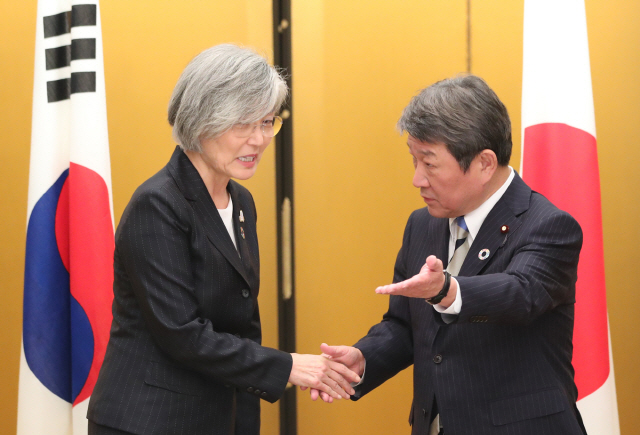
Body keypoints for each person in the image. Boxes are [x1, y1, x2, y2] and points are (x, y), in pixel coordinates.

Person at [87, 44, 359, 435]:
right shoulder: (158, 204)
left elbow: (240, 321)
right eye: (242, 125)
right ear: (200, 122)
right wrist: (289, 366)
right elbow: (181, 333)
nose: (259, 140)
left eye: (267, 122)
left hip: (219, 416)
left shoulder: (241, 201)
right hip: (149, 420)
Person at [309, 75, 587, 434]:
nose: (417, 180)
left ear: (485, 163)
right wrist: (363, 359)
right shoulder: (422, 225)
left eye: (430, 163)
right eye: (414, 161)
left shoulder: (548, 225)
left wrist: (447, 290)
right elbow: (406, 326)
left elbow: (520, 294)